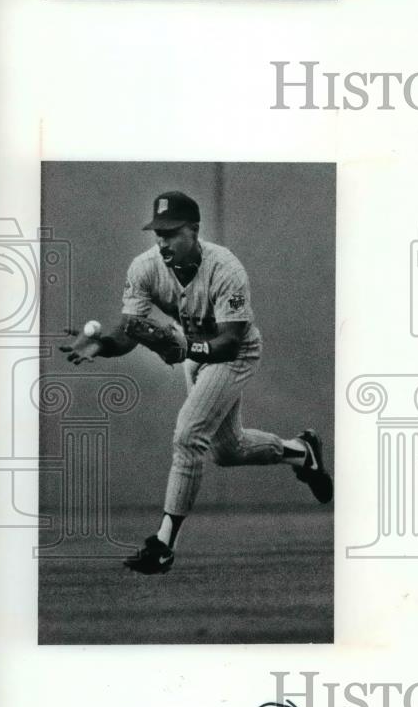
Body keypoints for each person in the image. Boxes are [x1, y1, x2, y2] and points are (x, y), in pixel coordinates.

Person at [60, 191, 333, 574]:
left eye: (171, 232)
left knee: (188, 435)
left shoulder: (226, 269)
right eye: (158, 232)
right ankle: (302, 452)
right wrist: (102, 345)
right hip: (195, 353)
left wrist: (184, 345)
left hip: (235, 353)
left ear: (194, 230)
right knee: (227, 450)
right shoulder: (144, 269)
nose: (162, 240)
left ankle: (162, 545)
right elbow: (128, 334)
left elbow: (230, 341)